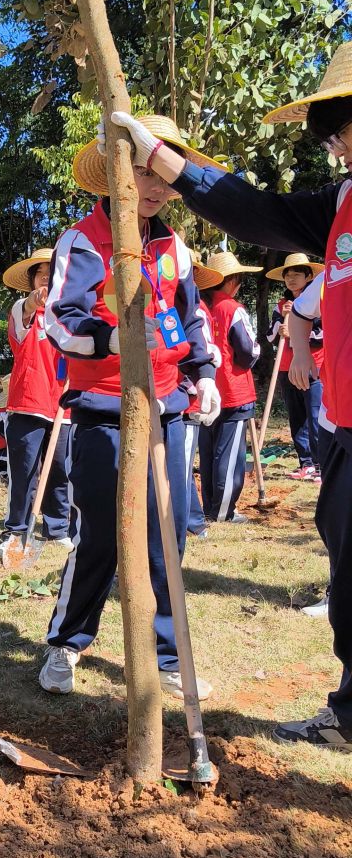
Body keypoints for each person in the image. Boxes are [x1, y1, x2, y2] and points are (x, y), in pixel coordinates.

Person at [106, 43, 352, 748]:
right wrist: (157, 154)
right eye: (331, 136)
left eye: (341, 131)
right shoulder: (342, 201)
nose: (335, 150)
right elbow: (254, 212)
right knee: (347, 560)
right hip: (345, 425)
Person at [38, 115, 221, 701]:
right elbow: (60, 320)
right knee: (100, 536)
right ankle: (66, 642)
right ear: (114, 175)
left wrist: (205, 372)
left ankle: (168, 656)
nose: (154, 186)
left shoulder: (173, 247)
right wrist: (109, 339)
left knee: (167, 537)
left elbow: (191, 318)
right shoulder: (83, 240)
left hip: (167, 408)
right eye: (141, 170)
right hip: (103, 409)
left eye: (162, 174)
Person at [0, 249, 71, 560]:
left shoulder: (70, 316)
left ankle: (58, 529)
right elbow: (25, 309)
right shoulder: (22, 312)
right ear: (32, 281)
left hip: (63, 406)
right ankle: (16, 529)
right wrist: (33, 301)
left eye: (52, 274)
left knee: (60, 470)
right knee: (24, 470)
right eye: (42, 275)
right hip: (27, 404)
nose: (47, 280)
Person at [196, 251, 261, 524]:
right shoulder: (233, 309)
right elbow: (247, 350)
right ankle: (222, 511)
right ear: (232, 280)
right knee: (229, 455)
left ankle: (211, 505)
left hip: (204, 388)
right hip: (232, 391)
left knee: (209, 451)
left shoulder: (200, 306)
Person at [288, 268, 331, 618]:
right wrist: (299, 351)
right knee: (335, 513)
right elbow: (300, 313)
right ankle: (340, 590)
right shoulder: (340, 264)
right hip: (339, 413)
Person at [265, 253, 324, 479]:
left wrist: (300, 335)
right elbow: (270, 337)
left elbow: (323, 334)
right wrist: (282, 324)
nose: (291, 279)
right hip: (286, 368)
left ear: (309, 276)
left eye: (297, 274)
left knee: (315, 415)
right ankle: (305, 462)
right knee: (297, 418)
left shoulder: (317, 303)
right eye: (287, 275)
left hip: (314, 367)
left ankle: (320, 465)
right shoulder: (282, 306)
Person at [182, 255, 224, 537]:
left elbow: (201, 352)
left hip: (187, 398)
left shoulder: (195, 310)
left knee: (180, 468)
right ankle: (194, 521)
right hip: (174, 395)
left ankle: (194, 524)